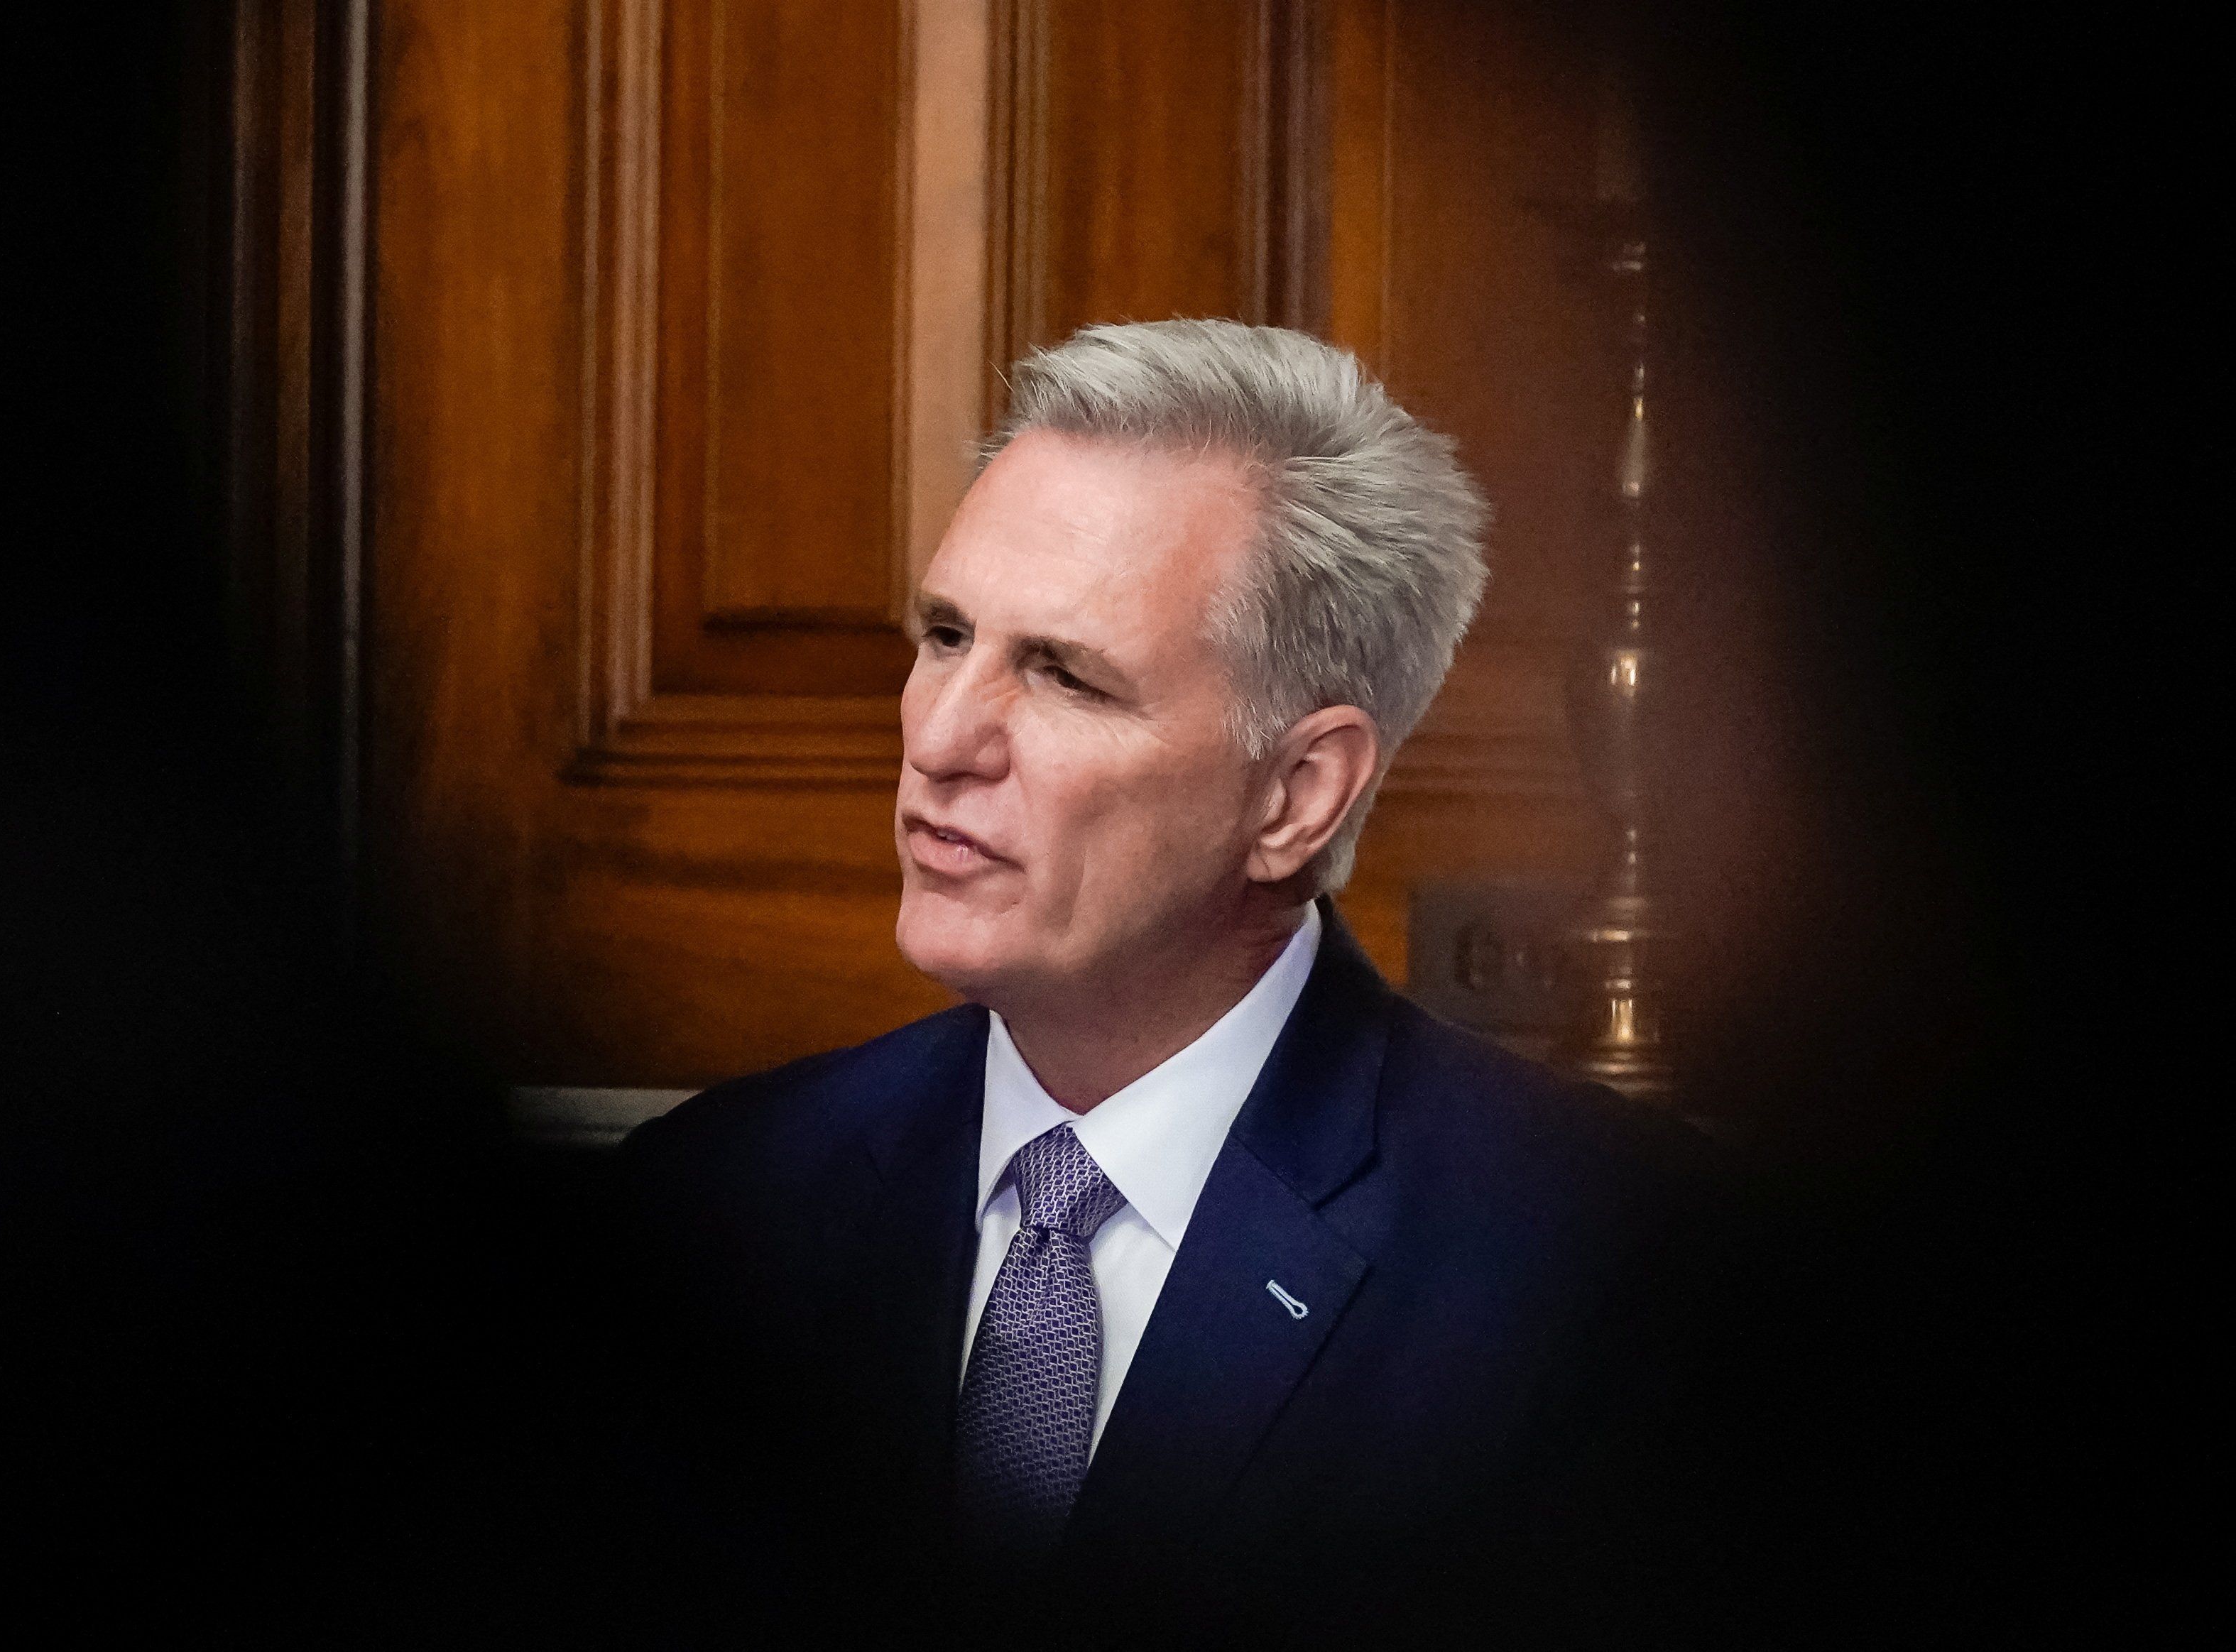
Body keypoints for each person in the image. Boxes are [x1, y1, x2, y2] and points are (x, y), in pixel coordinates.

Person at [606, 320, 1716, 1646]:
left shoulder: (1612, 1275)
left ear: (1296, 795)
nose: (939, 737)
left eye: (1064, 675)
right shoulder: (707, 1200)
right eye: (946, 634)